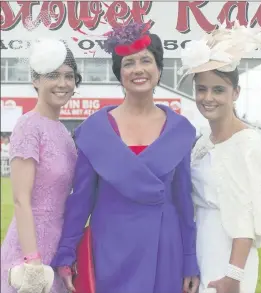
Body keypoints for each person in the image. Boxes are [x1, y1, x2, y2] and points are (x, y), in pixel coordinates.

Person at [51, 23, 200, 293]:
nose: (138, 69)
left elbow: (184, 203)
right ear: (119, 72)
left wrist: (190, 259)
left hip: (164, 250)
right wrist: (65, 253)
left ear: (158, 68)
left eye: (146, 60)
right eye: (129, 63)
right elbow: (81, 199)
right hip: (109, 248)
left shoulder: (180, 130)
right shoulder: (94, 131)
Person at [178, 22, 261, 293]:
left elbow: (247, 216)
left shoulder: (247, 144)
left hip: (228, 258)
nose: (208, 97)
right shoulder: (203, 141)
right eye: (201, 89)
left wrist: (233, 275)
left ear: (235, 93)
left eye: (218, 90)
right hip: (199, 245)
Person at [1, 38, 82, 293]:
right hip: (28, 252)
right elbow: (21, 200)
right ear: (35, 79)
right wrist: (32, 261)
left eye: (69, 76)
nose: (62, 83)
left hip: (56, 248)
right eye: (53, 75)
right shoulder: (28, 126)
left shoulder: (64, 134)